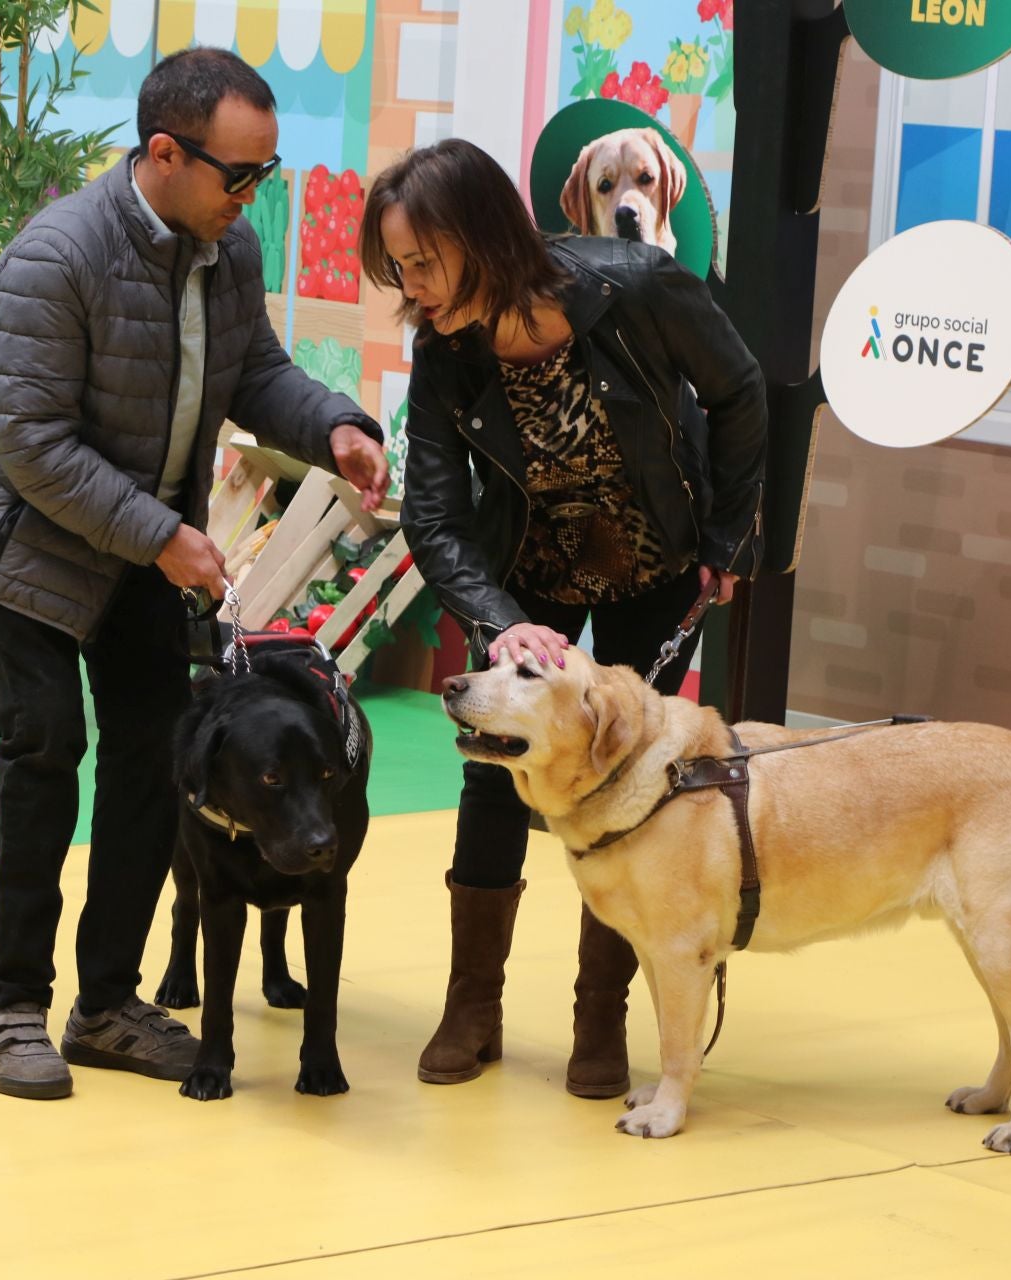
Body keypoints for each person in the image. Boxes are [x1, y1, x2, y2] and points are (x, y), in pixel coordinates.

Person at [0, 47, 389, 1100]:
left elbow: (256, 373)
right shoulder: (57, 257)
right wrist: (161, 535)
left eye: (266, 173)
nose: (253, 195)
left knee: (154, 761)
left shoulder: (226, 250)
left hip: (146, 545)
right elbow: (28, 442)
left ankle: (106, 1004)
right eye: (240, 174)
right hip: (33, 544)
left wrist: (333, 427)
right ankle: (6, 1006)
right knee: (46, 752)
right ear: (163, 152)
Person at [359, 138, 766, 1098]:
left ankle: (601, 1015)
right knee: (495, 773)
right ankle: (472, 1005)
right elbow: (434, 514)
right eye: (400, 268)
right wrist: (497, 621)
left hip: (655, 559)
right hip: (525, 577)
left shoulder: (640, 288)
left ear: (484, 237)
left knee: (632, 776)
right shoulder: (445, 349)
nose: (413, 289)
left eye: (423, 262)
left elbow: (740, 391)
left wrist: (726, 539)